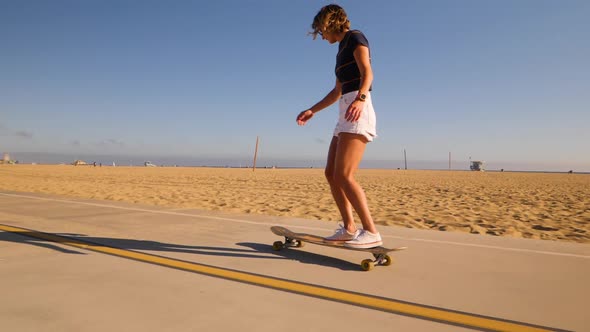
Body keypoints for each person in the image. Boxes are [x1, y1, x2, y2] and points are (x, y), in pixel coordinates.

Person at [296, 4, 381, 248]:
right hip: (344, 112)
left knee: (345, 175)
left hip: (358, 109)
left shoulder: (355, 37)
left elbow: (368, 73)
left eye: (320, 31)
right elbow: (336, 91)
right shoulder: (339, 50)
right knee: (331, 174)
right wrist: (312, 110)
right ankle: (349, 228)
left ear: (329, 23)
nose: (321, 37)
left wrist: (361, 99)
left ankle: (371, 231)